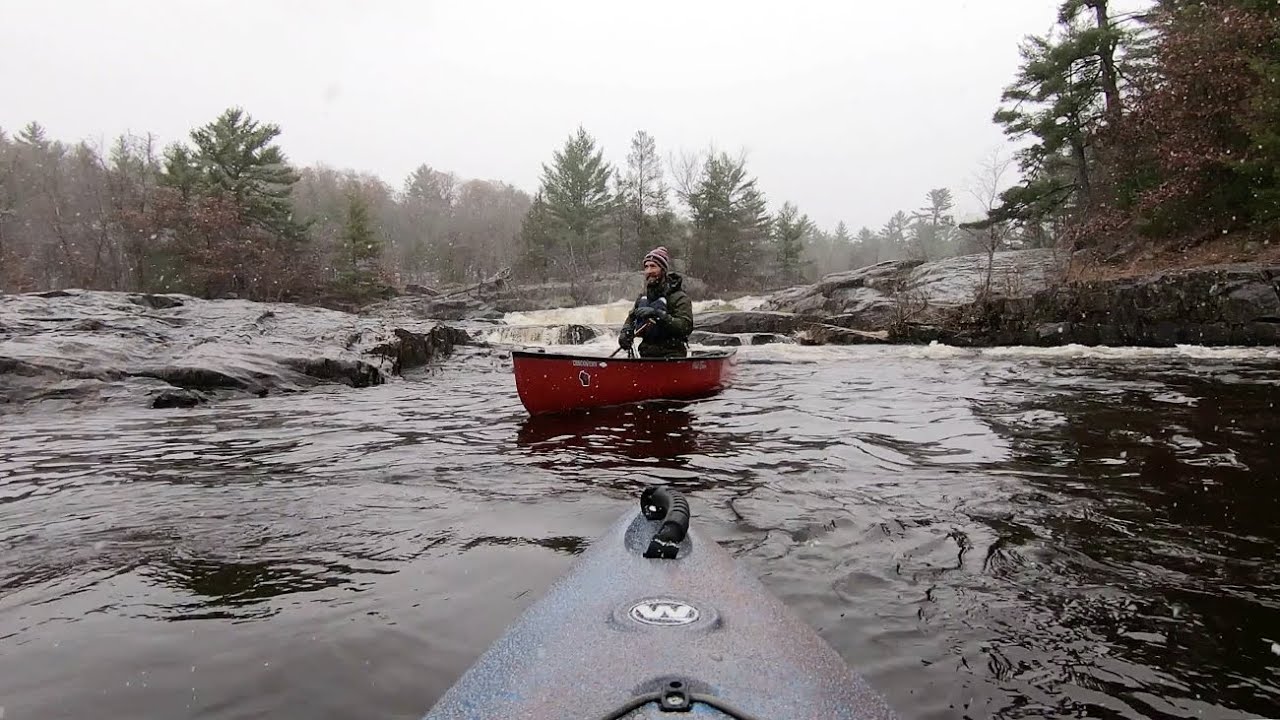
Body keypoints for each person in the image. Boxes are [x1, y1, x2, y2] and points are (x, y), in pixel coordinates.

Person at [618, 246, 694, 358]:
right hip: (646, 355)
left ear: (663, 270)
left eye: (653, 266)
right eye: (646, 267)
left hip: (672, 357)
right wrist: (625, 332)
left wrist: (658, 315)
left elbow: (685, 327)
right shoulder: (643, 297)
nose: (649, 271)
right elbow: (632, 317)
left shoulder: (679, 297)